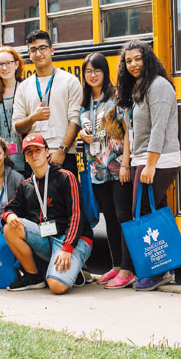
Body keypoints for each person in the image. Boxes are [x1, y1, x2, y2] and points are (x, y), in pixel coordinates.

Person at [116, 39, 181, 291]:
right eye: (128, 60)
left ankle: (156, 271)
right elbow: (131, 131)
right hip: (141, 160)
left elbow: (159, 128)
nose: (133, 64)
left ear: (148, 58)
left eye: (137, 58)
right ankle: (165, 266)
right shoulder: (137, 89)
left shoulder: (159, 86)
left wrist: (150, 165)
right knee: (155, 213)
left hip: (158, 160)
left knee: (141, 212)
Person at [1, 134, 93, 293]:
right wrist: (10, 216)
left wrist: (67, 248)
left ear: (47, 152)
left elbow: (76, 216)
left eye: (38, 149)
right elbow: (9, 209)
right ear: (25, 158)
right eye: (29, 152)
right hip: (46, 237)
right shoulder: (26, 185)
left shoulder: (65, 177)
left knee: (56, 286)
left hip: (71, 239)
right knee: (10, 228)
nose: (34, 155)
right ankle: (33, 276)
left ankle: (71, 269)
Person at [78, 53, 134, 289]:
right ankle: (117, 265)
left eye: (96, 71)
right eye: (88, 71)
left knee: (123, 216)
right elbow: (88, 131)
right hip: (97, 168)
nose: (92, 75)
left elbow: (128, 131)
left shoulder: (117, 96)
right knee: (109, 217)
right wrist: (82, 135)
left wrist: (125, 164)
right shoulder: (85, 100)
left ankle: (129, 270)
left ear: (104, 72)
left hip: (117, 164)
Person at [11, 30, 81, 178]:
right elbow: (17, 127)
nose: (38, 53)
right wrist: (33, 118)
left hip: (64, 155)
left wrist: (62, 151)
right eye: (33, 50)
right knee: (37, 201)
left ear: (52, 50)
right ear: (29, 54)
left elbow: (75, 120)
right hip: (35, 156)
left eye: (42, 48)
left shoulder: (70, 81)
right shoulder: (23, 87)